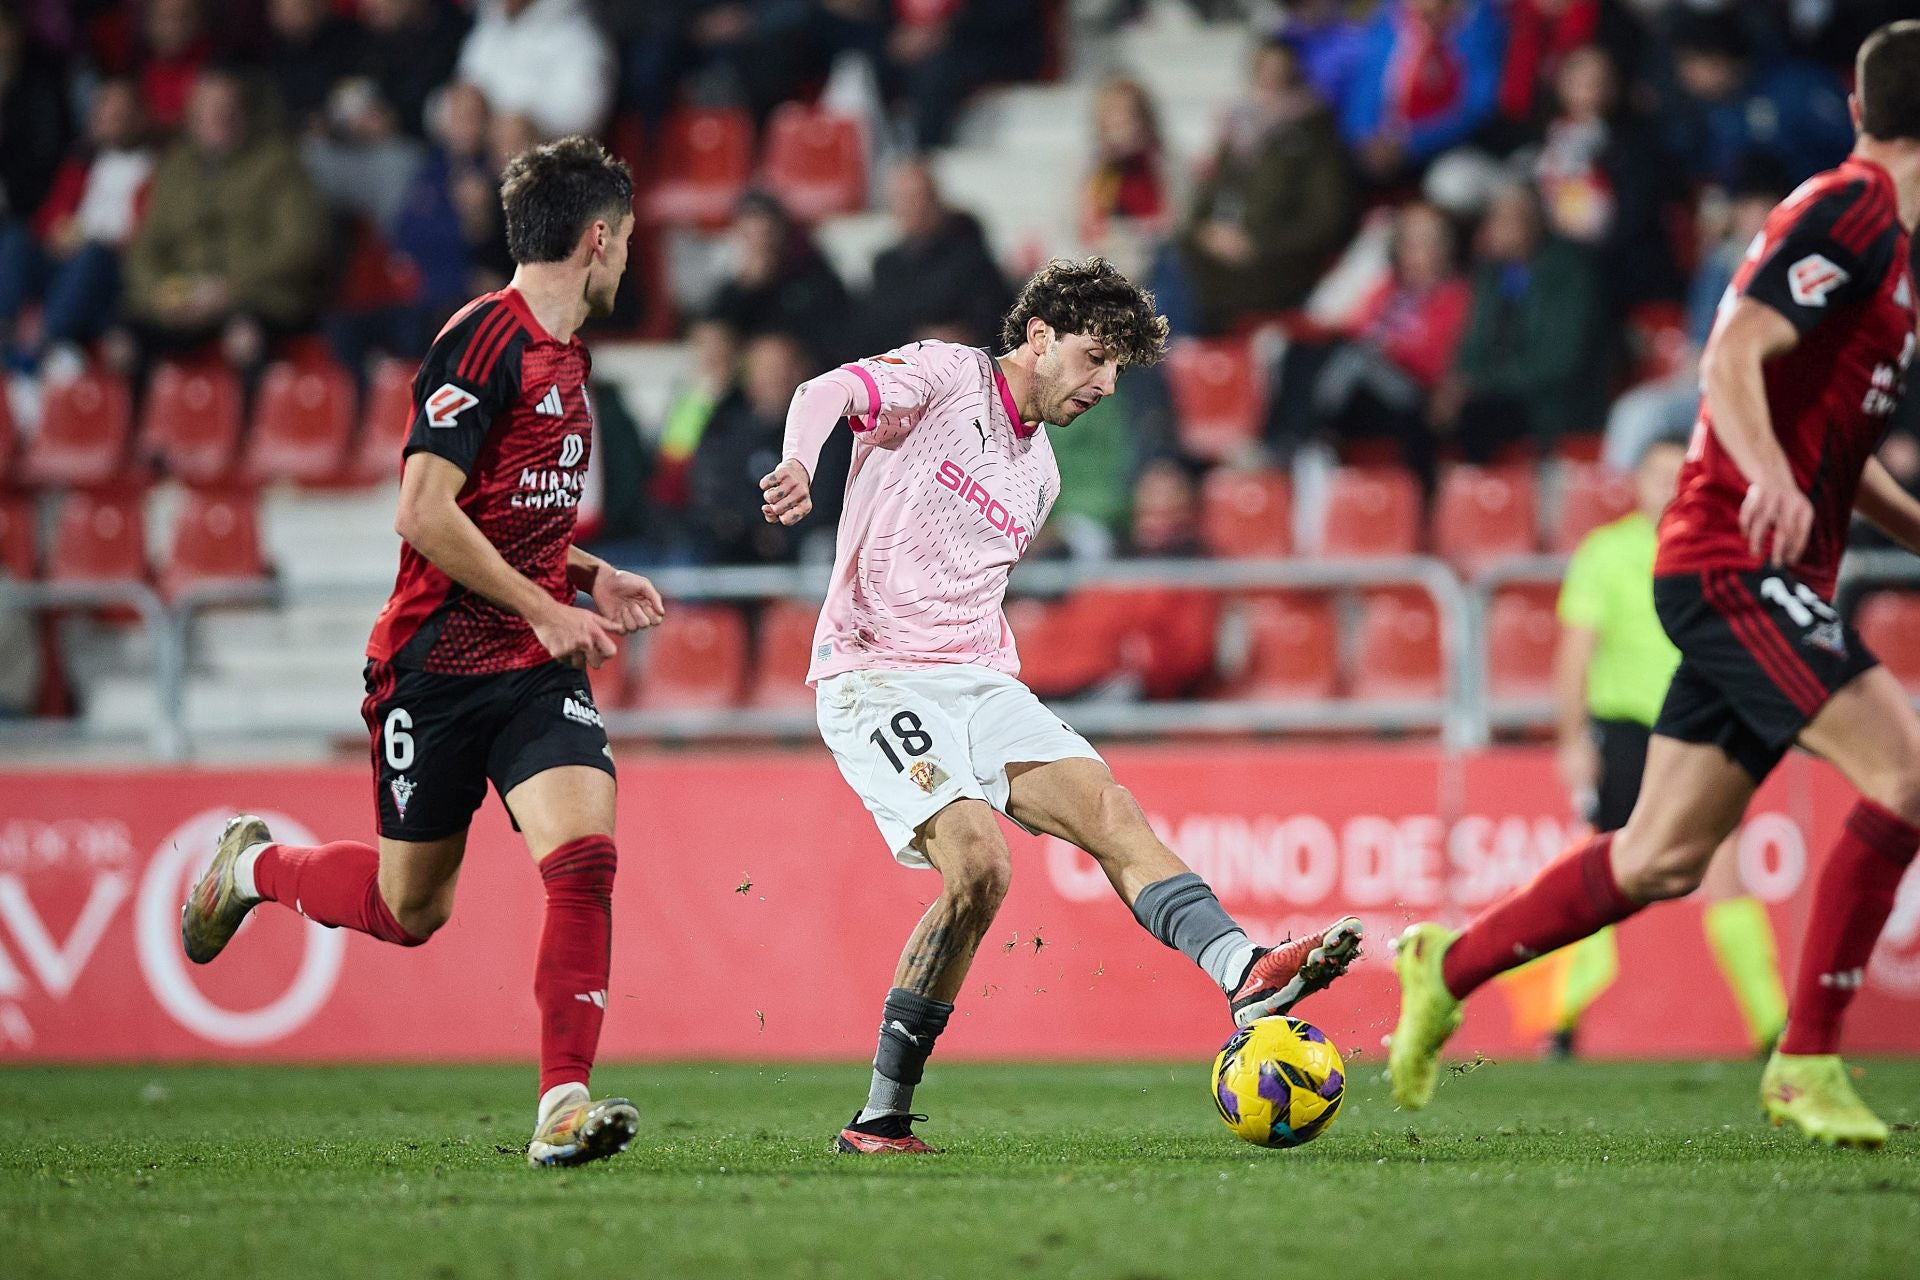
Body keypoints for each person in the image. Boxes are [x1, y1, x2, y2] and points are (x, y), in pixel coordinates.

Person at [1388, 21, 1920, 1149]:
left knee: (1661, 855)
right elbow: (1729, 358)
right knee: (1910, 770)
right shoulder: (1855, 211)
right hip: (1735, 561)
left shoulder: (1884, 243)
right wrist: (1768, 476)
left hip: (1761, 568)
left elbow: (1841, 436)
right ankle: (1809, 1055)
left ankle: (1449, 962)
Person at [757, 258, 1364, 1154]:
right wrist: (799, 465)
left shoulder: (1040, 473)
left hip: (982, 681)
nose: (1104, 385)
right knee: (980, 868)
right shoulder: (942, 376)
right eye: (1092, 359)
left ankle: (1244, 973)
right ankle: (882, 1114)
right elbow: (822, 392)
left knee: (1111, 809)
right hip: (876, 673)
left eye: (1116, 371)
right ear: (1037, 335)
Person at [179, 137, 665, 1169]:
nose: (632, 257)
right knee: (413, 909)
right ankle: (254, 866)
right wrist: (542, 601)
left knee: (585, 858)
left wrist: (585, 577)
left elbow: (507, 510)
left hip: (531, 664)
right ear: (599, 237)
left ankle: (561, 1106)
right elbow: (423, 510)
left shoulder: (569, 355)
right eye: (627, 239)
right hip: (434, 662)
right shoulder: (484, 338)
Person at [1535, 436, 1787, 1057]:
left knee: (1724, 864)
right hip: (1627, 732)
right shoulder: (1606, 552)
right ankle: (1561, 1023)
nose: (1668, 487)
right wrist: (1572, 740)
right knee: (1606, 874)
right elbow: (1575, 652)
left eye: (1679, 475)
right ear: (1637, 484)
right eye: (1656, 475)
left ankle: (1774, 1027)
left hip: (1702, 729)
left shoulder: (1715, 548)